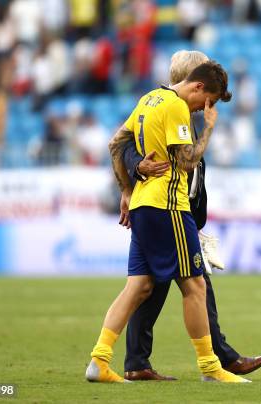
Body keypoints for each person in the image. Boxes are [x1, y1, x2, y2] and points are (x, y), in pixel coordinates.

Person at [86, 61, 249, 383]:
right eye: (209, 102)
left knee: (139, 286)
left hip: (144, 204)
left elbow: (115, 143)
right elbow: (187, 162)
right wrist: (210, 129)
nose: (205, 109)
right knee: (195, 285)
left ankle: (99, 361)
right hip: (168, 206)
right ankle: (210, 368)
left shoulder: (149, 99)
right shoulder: (175, 107)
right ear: (198, 87)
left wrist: (127, 190)